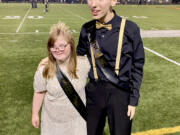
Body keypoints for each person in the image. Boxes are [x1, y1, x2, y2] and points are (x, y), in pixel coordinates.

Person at [76, 0, 145, 134]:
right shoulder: (87, 29)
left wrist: (133, 100)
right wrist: (52, 60)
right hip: (93, 93)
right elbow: (77, 58)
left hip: (120, 94)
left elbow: (137, 66)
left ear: (113, 2)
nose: (93, 4)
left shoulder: (130, 29)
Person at [32, 21, 90, 135]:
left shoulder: (84, 64)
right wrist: (35, 113)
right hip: (52, 125)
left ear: (71, 45)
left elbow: (103, 62)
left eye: (62, 45)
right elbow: (39, 92)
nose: (57, 49)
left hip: (77, 124)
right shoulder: (43, 71)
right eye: (53, 46)